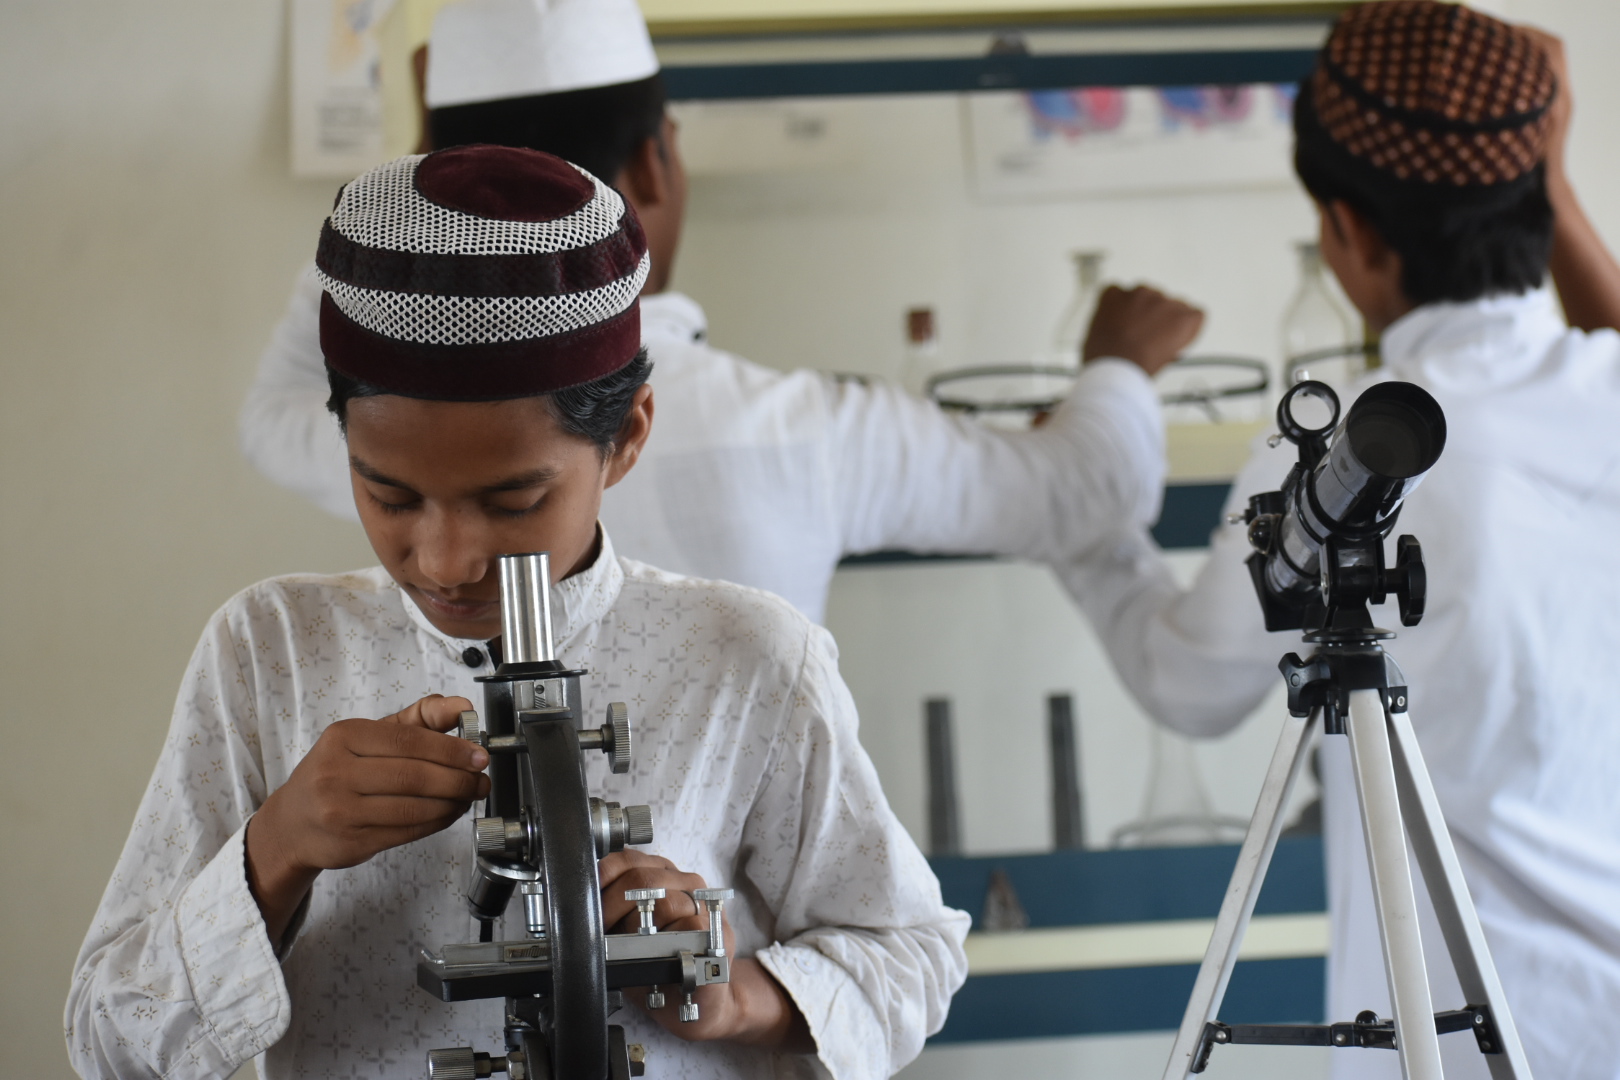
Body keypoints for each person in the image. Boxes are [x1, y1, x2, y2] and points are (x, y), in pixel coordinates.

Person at [67, 145, 968, 1080]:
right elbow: (108, 1041)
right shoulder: (272, 652)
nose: (445, 561)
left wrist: (735, 995)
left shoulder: (747, 656)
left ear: (627, 437)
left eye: (512, 502)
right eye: (390, 495)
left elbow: (908, 955)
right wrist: (277, 849)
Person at [1062, 5, 1620, 1078]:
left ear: (1348, 233)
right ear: (1541, 189)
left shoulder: (1352, 456)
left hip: (1463, 1044)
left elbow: (1188, 683)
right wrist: (1546, 170)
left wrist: (1087, 512)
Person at [239, 0, 1181, 625]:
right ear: (656, 163)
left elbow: (271, 414)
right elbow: (1087, 491)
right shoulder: (804, 429)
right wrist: (1119, 363)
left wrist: (411, 198)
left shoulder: (413, 439)